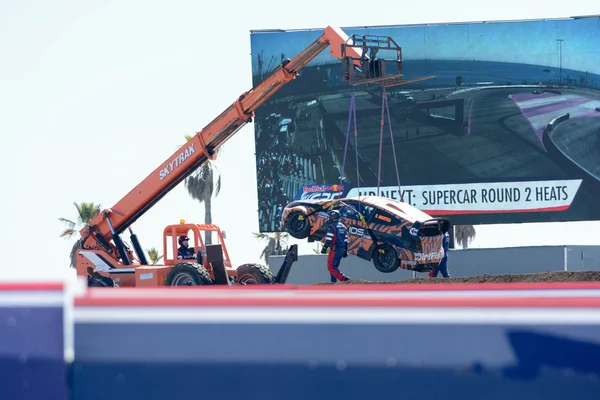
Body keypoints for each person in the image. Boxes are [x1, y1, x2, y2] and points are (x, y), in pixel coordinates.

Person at [321, 210, 350, 282]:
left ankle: (344, 278)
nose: (329, 218)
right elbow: (346, 239)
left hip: (335, 249)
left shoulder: (332, 226)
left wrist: (325, 248)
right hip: (342, 249)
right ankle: (333, 282)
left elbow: (329, 239)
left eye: (330, 217)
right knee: (335, 266)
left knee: (331, 267)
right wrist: (345, 250)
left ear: (333, 217)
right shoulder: (343, 226)